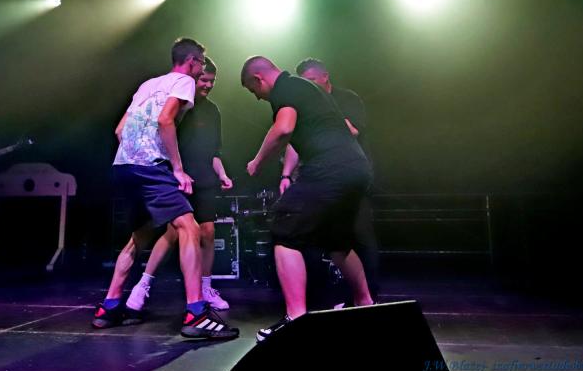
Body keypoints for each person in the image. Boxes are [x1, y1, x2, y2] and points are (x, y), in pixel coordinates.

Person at [93, 38, 238, 340]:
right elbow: (165, 119)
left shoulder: (148, 85)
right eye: (201, 63)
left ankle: (109, 307)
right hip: (151, 167)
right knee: (190, 228)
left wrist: (135, 156)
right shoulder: (183, 81)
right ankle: (197, 313)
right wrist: (177, 169)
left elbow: (120, 130)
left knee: (140, 236)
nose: (201, 71)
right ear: (192, 61)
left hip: (124, 166)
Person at [240, 56, 375, 342]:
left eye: (254, 91)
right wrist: (287, 174)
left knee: (283, 230)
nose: (258, 98)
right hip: (356, 167)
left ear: (258, 79)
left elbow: (283, 129)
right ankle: (366, 305)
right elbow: (298, 140)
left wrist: (257, 161)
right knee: (338, 241)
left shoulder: (285, 88)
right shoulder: (306, 89)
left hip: (330, 168)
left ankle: (296, 318)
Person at [120, 57, 234, 314]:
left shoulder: (213, 111)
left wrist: (222, 174)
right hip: (178, 175)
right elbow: (163, 132)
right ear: (194, 77)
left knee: (208, 232)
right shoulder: (180, 102)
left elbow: (214, 152)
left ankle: (206, 288)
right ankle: (143, 284)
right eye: (204, 79)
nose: (208, 85)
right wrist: (175, 170)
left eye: (212, 81)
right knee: (173, 232)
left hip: (204, 177)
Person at [294, 57, 380, 300]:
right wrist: (287, 174)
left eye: (312, 80)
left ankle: (369, 296)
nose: (309, 86)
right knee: (323, 237)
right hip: (323, 177)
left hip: (352, 176)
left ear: (325, 77)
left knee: (360, 235)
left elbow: (353, 130)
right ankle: (325, 295)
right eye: (304, 83)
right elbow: (294, 142)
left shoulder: (347, 99)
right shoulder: (305, 106)